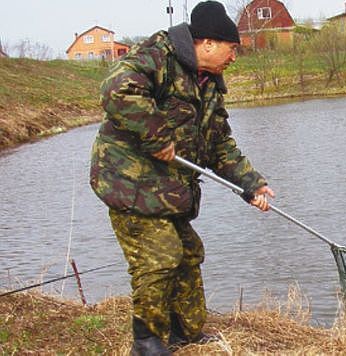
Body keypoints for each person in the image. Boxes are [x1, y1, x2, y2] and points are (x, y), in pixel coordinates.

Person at [89, 1, 275, 354]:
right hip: (128, 184)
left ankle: (183, 332)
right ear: (207, 43)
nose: (235, 57)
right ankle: (146, 342)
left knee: (189, 252)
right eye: (232, 48)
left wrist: (252, 184)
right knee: (161, 256)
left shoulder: (209, 84)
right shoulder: (159, 54)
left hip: (167, 189)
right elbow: (115, 88)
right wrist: (156, 135)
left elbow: (219, 143)